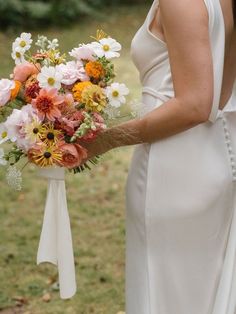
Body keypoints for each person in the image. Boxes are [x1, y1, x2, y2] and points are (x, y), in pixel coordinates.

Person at [82, 0, 236, 313]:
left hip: (173, 169)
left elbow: (194, 105)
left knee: (162, 297)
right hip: (218, 152)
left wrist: (105, 141)